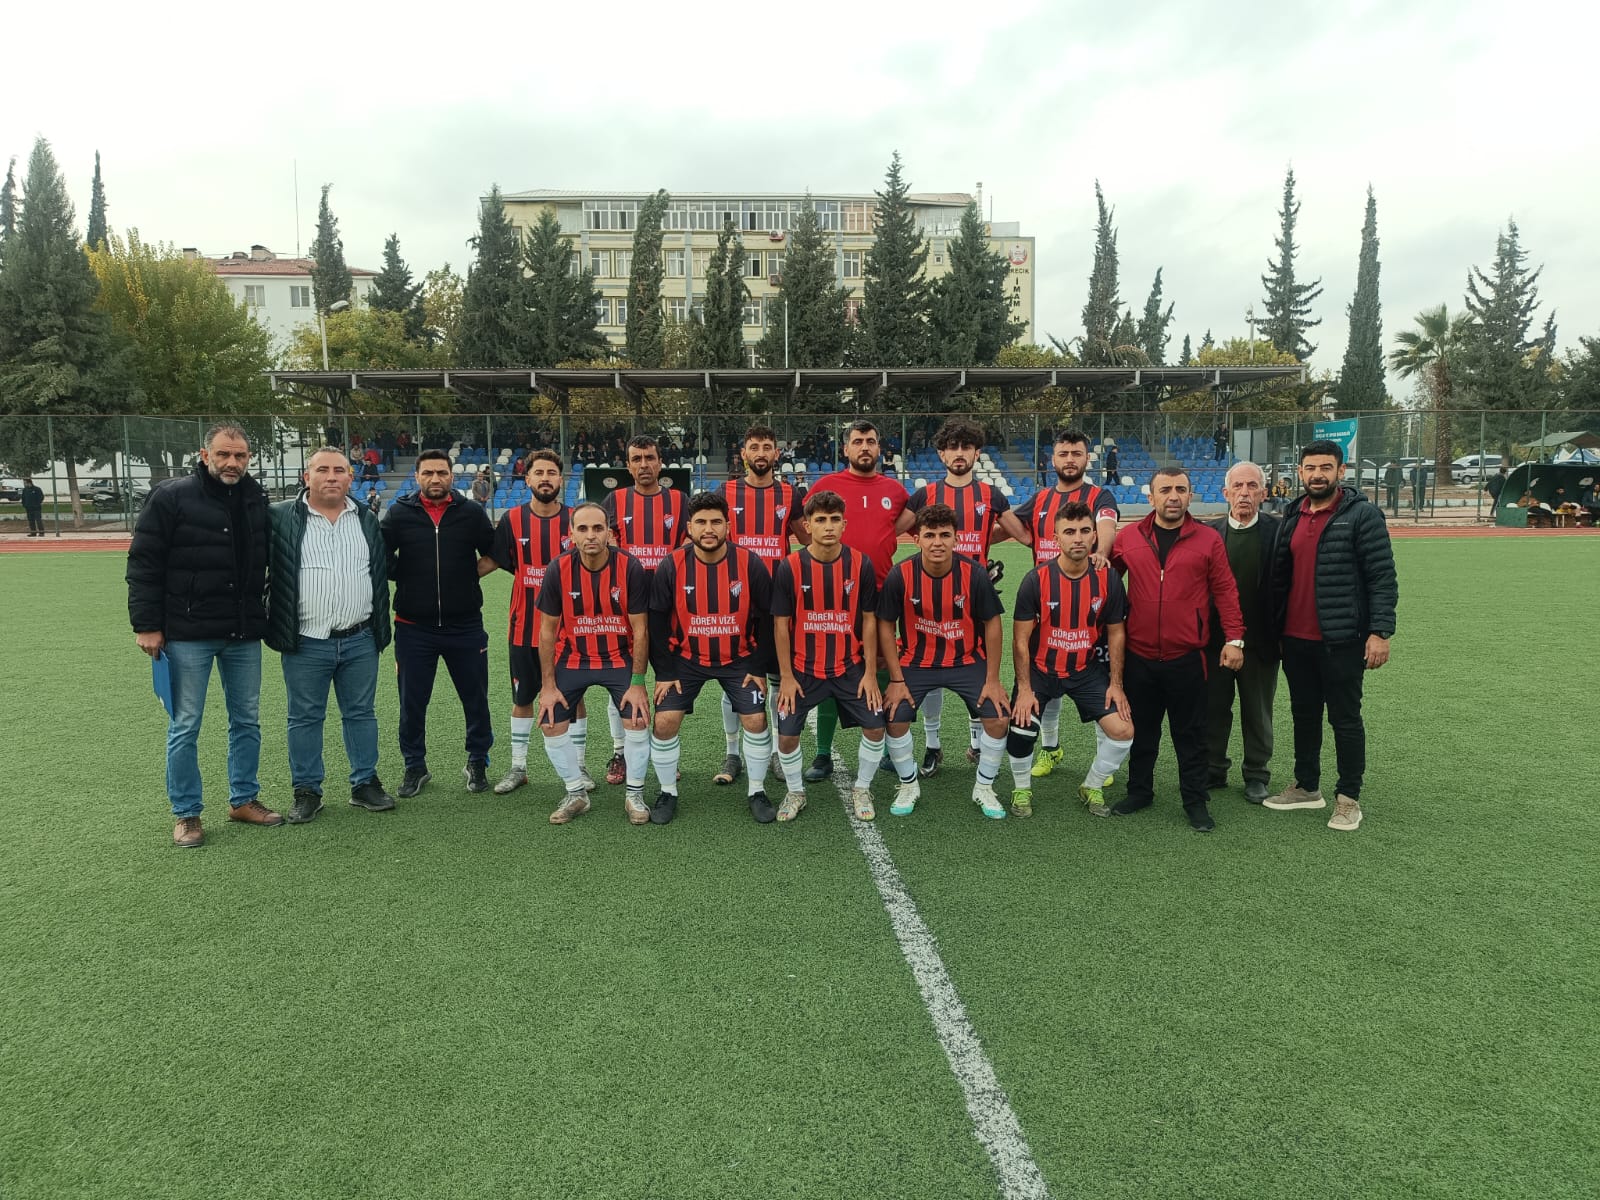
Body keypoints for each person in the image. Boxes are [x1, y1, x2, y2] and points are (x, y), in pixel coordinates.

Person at [127, 422, 282, 848]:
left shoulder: (255, 498)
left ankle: (243, 800)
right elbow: (143, 562)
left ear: (248, 459)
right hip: (187, 633)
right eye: (224, 454)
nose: (232, 462)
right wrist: (146, 624)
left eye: (240, 456)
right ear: (205, 454)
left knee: (246, 720)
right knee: (186, 724)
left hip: (243, 633)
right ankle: (187, 813)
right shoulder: (171, 496)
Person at [1265, 440, 1398, 832]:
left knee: (1345, 718)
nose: (1317, 474)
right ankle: (1307, 786)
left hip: (1342, 639)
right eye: (1310, 467)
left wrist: (1380, 632)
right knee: (1304, 715)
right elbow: (1280, 579)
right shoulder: (1292, 514)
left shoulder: (1362, 515)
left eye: (1326, 467)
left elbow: (1382, 577)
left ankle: (1347, 797)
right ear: (1300, 472)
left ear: (1341, 471)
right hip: (1295, 639)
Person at [1109, 468, 1245, 832]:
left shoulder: (1208, 540)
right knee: (1142, 732)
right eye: (1165, 489)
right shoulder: (1129, 538)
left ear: (1190, 496)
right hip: (1139, 657)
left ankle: (1195, 802)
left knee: (1191, 735)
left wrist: (1234, 638)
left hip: (1187, 658)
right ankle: (1139, 792)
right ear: (1151, 497)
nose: (1173, 496)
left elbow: (1226, 590)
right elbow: (1106, 581)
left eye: (1181, 489)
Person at [265, 447, 395, 824]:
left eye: (340, 470)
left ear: (351, 478)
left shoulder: (366, 518)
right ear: (307, 476)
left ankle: (364, 783)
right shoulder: (281, 517)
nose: (332, 477)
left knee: (361, 714)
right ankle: (307, 790)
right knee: (304, 717)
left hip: (360, 639)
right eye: (323, 470)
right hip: (306, 640)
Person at [896, 417, 1027, 777]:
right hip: (928, 596)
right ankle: (933, 746)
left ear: (976, 452)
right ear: (941, 454)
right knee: (929, 665)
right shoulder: (924, 495)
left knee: (977, 669)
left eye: (966, 447)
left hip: (974, 598)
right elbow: (892, 529)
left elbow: (1022, 535)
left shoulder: (991, 495)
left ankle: (976, 744)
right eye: (952, 447)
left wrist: (984, 545)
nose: (959, 453)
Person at [647, 491, 777, 824]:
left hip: (740, 659)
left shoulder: (750, 563)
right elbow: (656, 621)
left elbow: (768, 617)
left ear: (728, 526)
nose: (709, 529)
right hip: (686, 660)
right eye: (701, 522)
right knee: (664, 721)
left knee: (756, 720)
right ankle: (667, 792)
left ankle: (757, 790)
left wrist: (758, 666)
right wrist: (664, 672)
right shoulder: (671, 565)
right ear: (689, 527)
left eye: (716, 522)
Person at [877, 504, 1012, 819]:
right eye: (930, 535)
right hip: (917, 660)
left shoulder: (974, 574)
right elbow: (885, 624)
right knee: (894, 717)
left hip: (966, 659)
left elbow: (993, 623)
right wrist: (896, 679)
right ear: (917, 539)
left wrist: (993, 680)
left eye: (944, 535)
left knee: (998, 718)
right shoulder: (901, 574)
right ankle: (908, 784)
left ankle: (984, 787)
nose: (937, 542)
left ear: (956, 538)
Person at [381, 448, 498, 798]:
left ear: (452, 476)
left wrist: (466, 577)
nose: (435, 479)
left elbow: (494, 553)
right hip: (413, 627)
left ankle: (477, 760)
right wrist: (407, 576)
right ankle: (414, 765)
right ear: (417, 476)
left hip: (465, 626)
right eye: (428, 473)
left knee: (475, 699)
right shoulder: (398, 513)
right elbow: (380, 555)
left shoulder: (471, 512)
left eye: (441, 473)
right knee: (412, 702)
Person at [1006, 502, 1135, 819]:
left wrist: (1116, 684)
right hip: (1041, 669)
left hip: (1084, 670)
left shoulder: (1108, 579)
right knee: (1020, 732)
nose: (1077, 538)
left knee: (1123, 730)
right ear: (1056, 538)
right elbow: (1020, 640)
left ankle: (1091, 785)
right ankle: (1021, 789)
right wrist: (1024, 689)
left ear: (1094, 536)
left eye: (1084, 531)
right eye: (1069, 531)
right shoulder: (1036, 580)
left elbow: (1116, 633)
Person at [769, 490, 885, 821]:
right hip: (803, 669)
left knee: (876, 727)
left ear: (845, 524)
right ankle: (795, 791)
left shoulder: (860, 564)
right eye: (820, 520)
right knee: (787, 738)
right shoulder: (790, 566)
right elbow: (781, 626)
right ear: (807, 525)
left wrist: (870, 674)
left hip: (850, 667)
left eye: (835, 519)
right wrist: (786, 676)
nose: (828, 526)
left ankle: (862, 787)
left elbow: (869, 621)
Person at [535, 501, 652, 825]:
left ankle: (634, 795)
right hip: (575, 658)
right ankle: (576, 793)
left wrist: (638, 683)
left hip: (617, 657)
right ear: (571, 533)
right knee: (550, 720)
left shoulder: (629, 567)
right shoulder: (558, 569)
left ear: (609, 533)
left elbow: (641, 630)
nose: (591, 535)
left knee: (637, 718)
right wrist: (548, 686)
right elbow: (547, 632)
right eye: (583, 529)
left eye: (598, 528)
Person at [1014, 428, 1120, 779]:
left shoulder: (1099, 495)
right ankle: (1051, 748)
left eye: (1077, 453)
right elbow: (1008, 527)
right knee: (1049, 681)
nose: (1070, 460)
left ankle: (1103, 758)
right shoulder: (1041, 498)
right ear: (1053, 459)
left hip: (1090, 608)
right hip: (1046, 606)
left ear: (1087, 458)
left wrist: (1100, 552)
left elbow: (1107, 525)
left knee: (1098, 684)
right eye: (1064, 454)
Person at [489, 450, 597, 796]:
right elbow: (502, 561)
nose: (546, 478)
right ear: (528, 479)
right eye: (539, 473)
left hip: (569, 630)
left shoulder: (575, 519)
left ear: (561, 479)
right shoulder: (512, 519)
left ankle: (579, 765)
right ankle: (518, 767)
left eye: (552, 473)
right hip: (524, 626)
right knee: (523, 697)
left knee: (573, 698)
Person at [804, 421, 907, 782]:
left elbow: (907, 527)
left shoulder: (895, 491)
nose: (865, 447)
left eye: (871, 441)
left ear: (880, 449)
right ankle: (822, 754)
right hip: (834, 596)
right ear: (846, 448)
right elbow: (807, 526)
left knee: (884, 665)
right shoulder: (825, 485)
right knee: (832, 665)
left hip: (881, 593)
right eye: (858, 441)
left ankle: (890, 749)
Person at [713, 424, 807, 786]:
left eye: (767, 446)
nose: (761, 453)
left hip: (778, 601)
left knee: (778, 677)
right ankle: (732, 752)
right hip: (735, 600)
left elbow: (806, 537)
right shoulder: (726, 491)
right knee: (735, 679)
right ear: (743, 454)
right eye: (754, 447)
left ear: (776, 453)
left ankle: (776, 755)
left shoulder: (790, 493)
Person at [598, 435, 687, 785]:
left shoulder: (679, 501)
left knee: (668, 684)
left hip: (668, 611)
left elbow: (688, 549)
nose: (644, 464)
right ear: (628, 465)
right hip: (624, 610)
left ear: (660, 462)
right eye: (636, 459)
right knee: (621, 684)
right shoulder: (614, 500)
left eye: (649, 457)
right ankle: (620, 753)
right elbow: (608, 549)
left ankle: (666, 752)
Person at [1203, 462, 1282, 805]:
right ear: (1226, 493)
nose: (1244, 493)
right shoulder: (1208, 533)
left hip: (1261, 643)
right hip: (1215, 643)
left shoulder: (1279, 532)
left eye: (1252, 486)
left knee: (1258, 712)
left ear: (1263, 493)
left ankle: (1256, 775)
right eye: (1238, 486)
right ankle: (1213, 769)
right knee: (1214, 709)